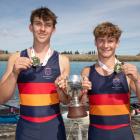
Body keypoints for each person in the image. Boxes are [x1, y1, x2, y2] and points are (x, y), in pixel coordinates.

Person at [0, 7, 70, 140]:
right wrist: (14, 73)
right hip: (26, 130)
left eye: (48, 25)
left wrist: (61, 90)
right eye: (38, 24)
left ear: (53, 29)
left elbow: (66, 101)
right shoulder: (16, 57)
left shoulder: (63, 60)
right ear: (30, 27)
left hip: (54, 129)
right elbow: (1, 98)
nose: (42, 29)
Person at [81, 22, 140, 140]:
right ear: (95, 42)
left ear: (117, 43)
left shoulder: (128, 71)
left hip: (123, 133)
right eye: (101, 40)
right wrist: (83, 92)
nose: (105, 45)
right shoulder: (87, 71)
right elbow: (83, 103)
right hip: (96, 133)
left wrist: (137, 79)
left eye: (110, 41)